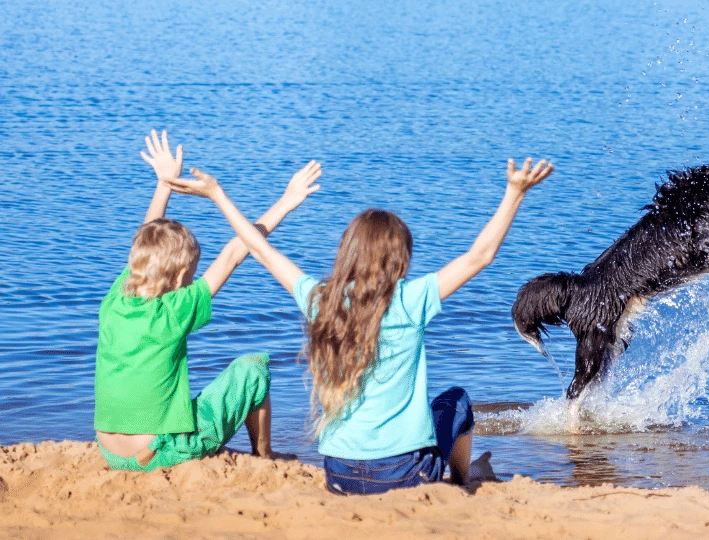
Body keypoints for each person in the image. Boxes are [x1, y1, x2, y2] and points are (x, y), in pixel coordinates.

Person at [163, 156, 553, 494]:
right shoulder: (410, 299)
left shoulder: (321, 300)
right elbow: (480, 255)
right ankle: (458, 482)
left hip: (339, 474)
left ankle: (449, 479)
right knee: (456, 402)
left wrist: (217, 195)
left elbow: (261, 250)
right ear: (400, 259)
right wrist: (515, 192)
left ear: (347, 253)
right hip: (403, 476)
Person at [94, 130, 321, 471]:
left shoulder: (116, 299)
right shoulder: (173, 311)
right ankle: (265, 457)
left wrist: (164, 183)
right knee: (253, 369)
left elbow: (146, 237)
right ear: (183, 273)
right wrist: (287, 201)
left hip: (111, 452)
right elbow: (234, 253)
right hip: (160, 455)